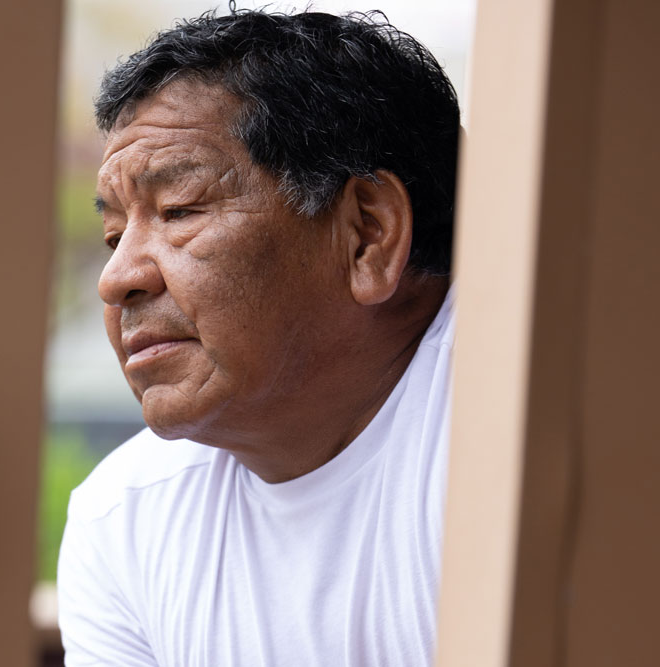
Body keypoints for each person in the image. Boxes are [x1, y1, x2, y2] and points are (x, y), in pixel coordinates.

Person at [57, 9, 460, 666]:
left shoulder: (504, 445)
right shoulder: (125, 520)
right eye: (114, 235)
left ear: (366, 234)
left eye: (180, 209)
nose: (116, 277)